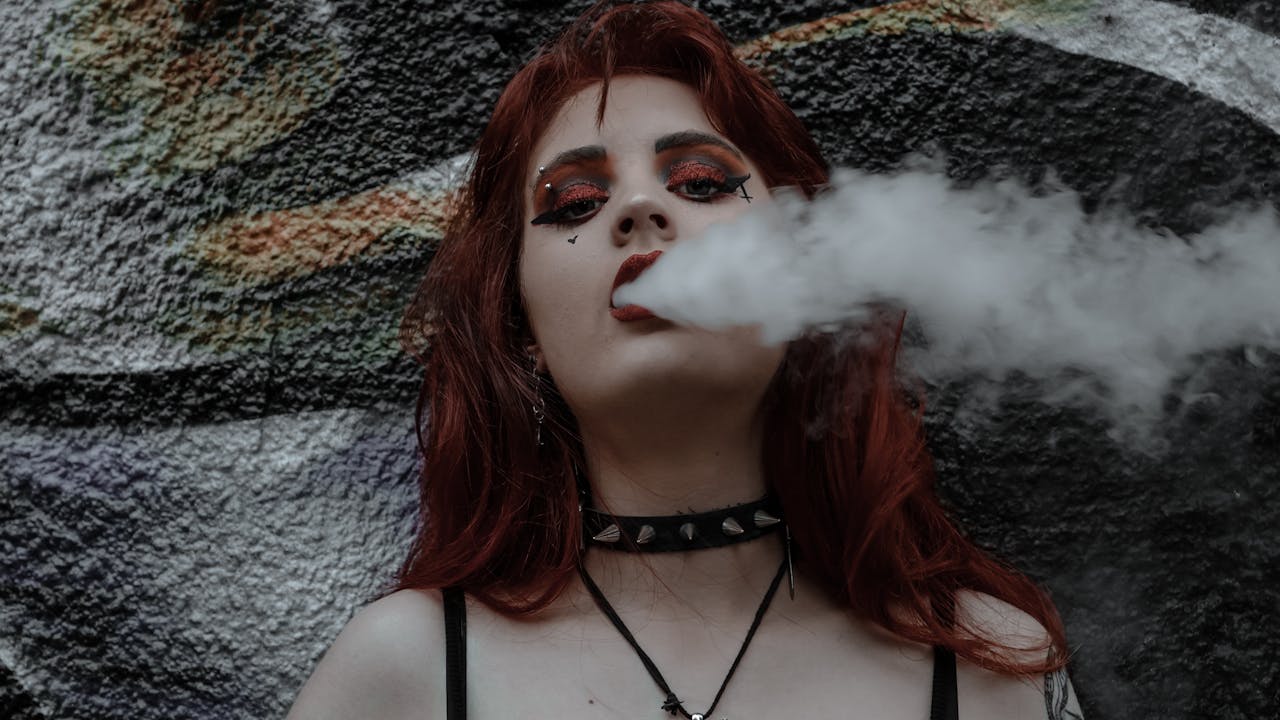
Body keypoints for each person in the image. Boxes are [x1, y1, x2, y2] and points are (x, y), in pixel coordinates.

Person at [288, 2, 1084, 718]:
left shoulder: (991, 673)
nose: (639, 207)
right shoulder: (406, 675)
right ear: (520, 329)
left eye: (701, 183)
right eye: (573, 204)